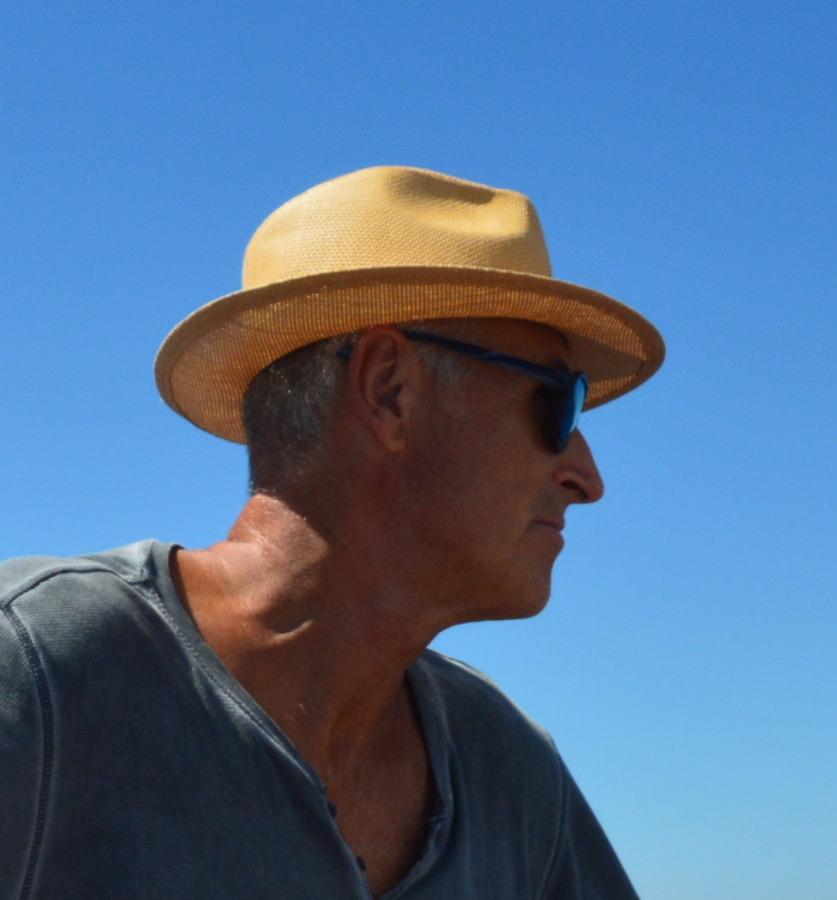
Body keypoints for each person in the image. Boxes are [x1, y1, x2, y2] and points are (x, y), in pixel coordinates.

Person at [0, 166, 664, 899]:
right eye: (557, 401)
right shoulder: (36, 674)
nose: (587, 477)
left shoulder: (510, 772)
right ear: (388, 389)